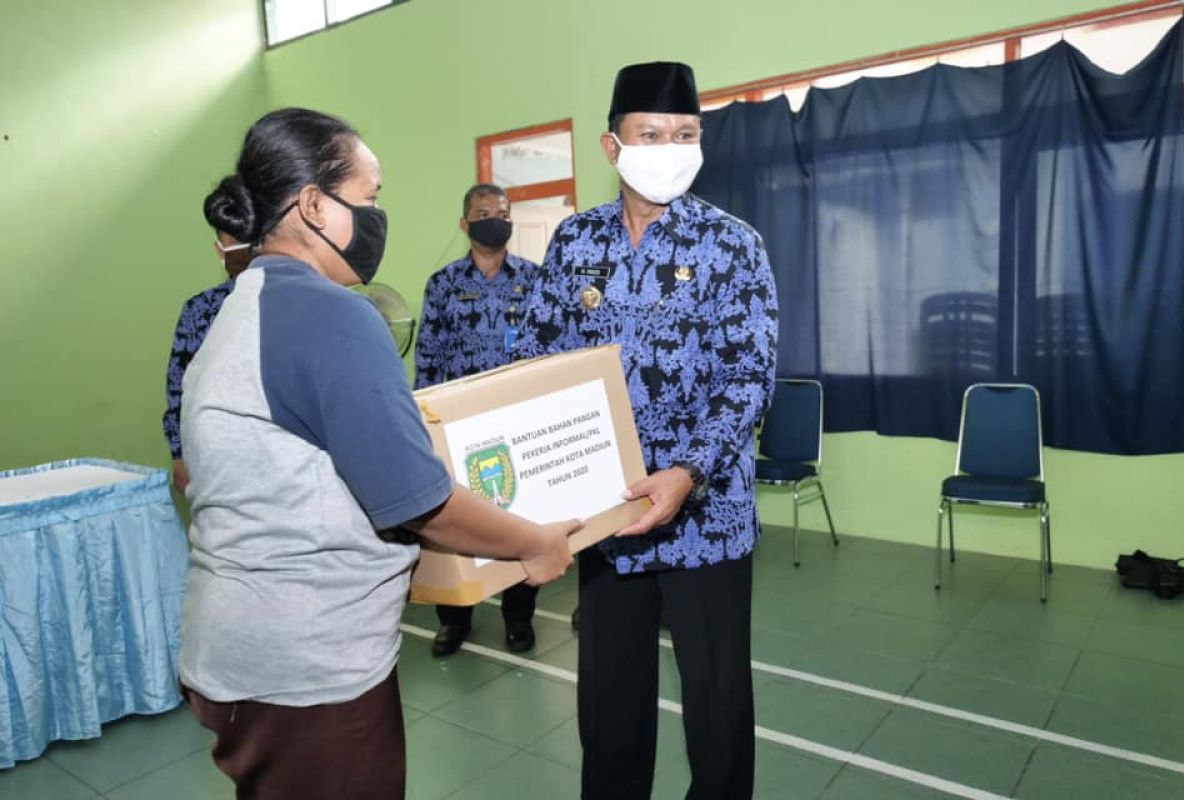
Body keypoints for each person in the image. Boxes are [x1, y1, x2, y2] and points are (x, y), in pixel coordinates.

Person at [178, 107, 577, 799]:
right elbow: (420, 499)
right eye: (370, 198)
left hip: (242, 650)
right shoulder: (334, 315)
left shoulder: (247, 303)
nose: (375, 218)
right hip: (307, 667)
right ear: (313, 205)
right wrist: (534, 543)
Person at [515, 62, 779, 799]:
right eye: (652, 133)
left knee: (718, 708)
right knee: (610, 708)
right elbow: (536, 367)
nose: (670, 147)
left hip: (708, 517)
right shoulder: (574, 244)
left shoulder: (734, 247)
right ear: (612, 145)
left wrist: (687, 473)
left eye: (686, 134)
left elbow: (748, 378)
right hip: (608, 516)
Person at [414, 184, 541, 657]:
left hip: (518, 419)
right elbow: (428, 360)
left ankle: (518, 617)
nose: (496, 219)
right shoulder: (443, 285)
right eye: (485, 213)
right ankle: (454, 619)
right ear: (465, 224)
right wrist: (424, 424)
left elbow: (550, 351)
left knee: (522, 519)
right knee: (455, 524)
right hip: (458, 425)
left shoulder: (535, 280)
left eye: (503, 213)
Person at [162, 225, 252, 492]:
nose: (245, 247)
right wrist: (178, 454)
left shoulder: (293, 301)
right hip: (219, 454)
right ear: (220, 250)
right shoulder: (201, 309)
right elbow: (179, 384)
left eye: (251, 237)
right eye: (235, 240)